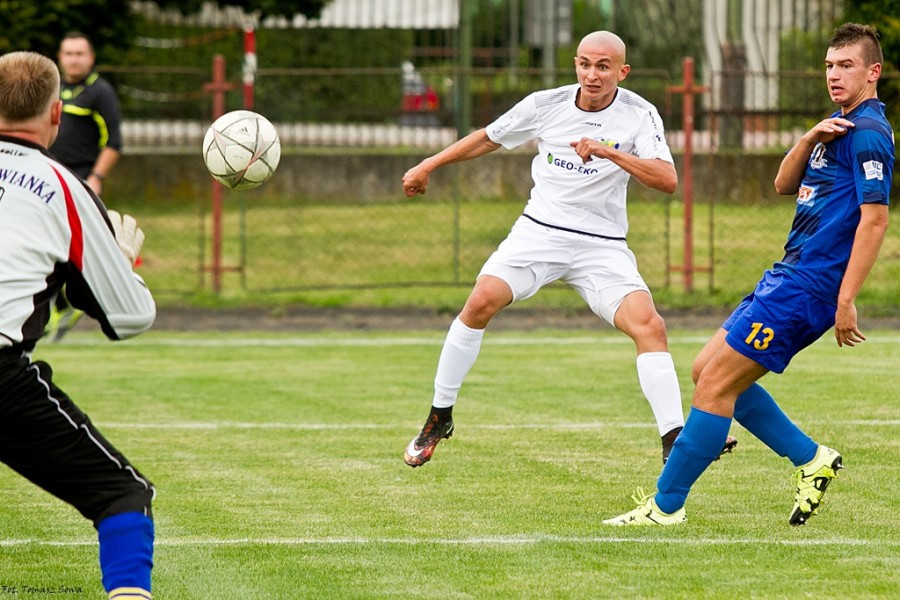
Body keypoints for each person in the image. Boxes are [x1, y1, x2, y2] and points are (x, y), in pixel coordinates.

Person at [401, 31, 736, 468]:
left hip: (602, 244)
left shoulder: (639, 113)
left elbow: (666, 179)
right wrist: (428, 165)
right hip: (539, 231)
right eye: (584, 64)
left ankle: (674, 439)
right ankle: (438, 417)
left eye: (603, 66)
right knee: (480, 301)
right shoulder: (546, 104)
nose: (591, 75)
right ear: (575, 65)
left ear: (622, 71)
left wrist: (608, 152)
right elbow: (488, 137)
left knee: (649, 326)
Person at [603, 22, 892, 527]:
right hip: (787, 275)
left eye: (846, 65)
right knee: (705, 372)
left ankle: (666, 507)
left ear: (874, 72)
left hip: (811, 288)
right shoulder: (837, 126)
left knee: (714, 385)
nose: (834, 74)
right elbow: (783, 182)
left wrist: (846, 299)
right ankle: (811, 459)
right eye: (829, 65)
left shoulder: (869, 133)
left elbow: (875, 218)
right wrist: (808, 136)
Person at [0, 51, 156, 597]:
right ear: (57, 116)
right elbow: (130, 317)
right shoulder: (65, 187)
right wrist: (123, 258)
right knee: (122, 497)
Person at [47, 31, 124, 340]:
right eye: (68, 53)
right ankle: (59, 304)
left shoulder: (100, 92)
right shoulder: (53, 90)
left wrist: (96, 178)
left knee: (78, 247)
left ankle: (81, 301)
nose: (74, 59)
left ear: (91, 58)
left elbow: (113, 142)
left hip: (79, 180)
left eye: (80, 53)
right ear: (60, 57)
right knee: (51, 245)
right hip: (48, 181)